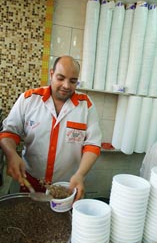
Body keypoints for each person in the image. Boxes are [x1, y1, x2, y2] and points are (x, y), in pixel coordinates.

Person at [0, 55, 102, 201]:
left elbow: (92, 144)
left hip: (67, 185)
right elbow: (9, 133)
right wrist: (11, 154)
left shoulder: (86, 105)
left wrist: (80, 174)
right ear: (51, 74)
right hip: (31, 181)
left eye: (73, 81)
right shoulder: (29, 99)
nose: (66, 85)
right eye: (61, 78)